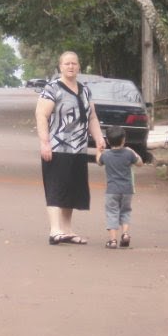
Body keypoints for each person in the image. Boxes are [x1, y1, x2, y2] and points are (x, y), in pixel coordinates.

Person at [35, 51, 106, 245]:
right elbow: (41, 115)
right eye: (67, 63)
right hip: (57, 146)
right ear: (60, 66)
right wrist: (45, 142)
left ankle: (66, 230)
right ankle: (55, 230)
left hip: (79, 148)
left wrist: (99, 138)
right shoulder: (52, 89)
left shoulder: (84, 90)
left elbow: (92, 117)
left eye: (74, 63)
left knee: (72, 189)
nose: (71, 66)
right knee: (56, 187)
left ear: (79, 66)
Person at [96, 125, 143, 249]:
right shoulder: (128, 154)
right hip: (127, 189)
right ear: (124, 139)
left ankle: (112, 241)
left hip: (112, 190)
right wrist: (133, 151)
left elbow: (98, 162)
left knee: (112, 213)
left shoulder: (106, 155)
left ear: (107, 141)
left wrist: (99, 150)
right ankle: (125, 234)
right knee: (125, 211)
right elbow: (140, 163)